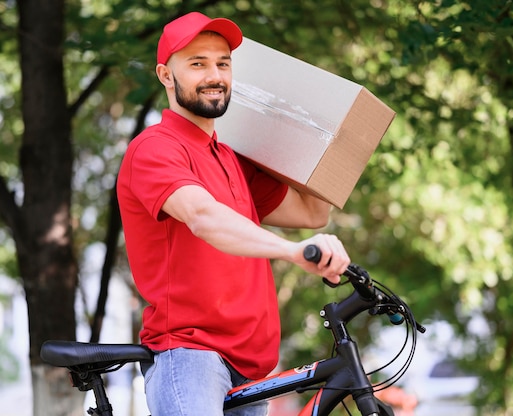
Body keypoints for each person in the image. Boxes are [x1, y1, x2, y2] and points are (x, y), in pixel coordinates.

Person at [116, 11, 351, 416]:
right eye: (197, 64)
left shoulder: (232, 159)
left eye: (223, 63)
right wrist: (294, 252)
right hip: (191, 356)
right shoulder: (155, 148)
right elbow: (204, 217)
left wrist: (317, 141)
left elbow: (313, 212)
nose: (215, 75)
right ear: (165, 76)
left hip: (250, 366)